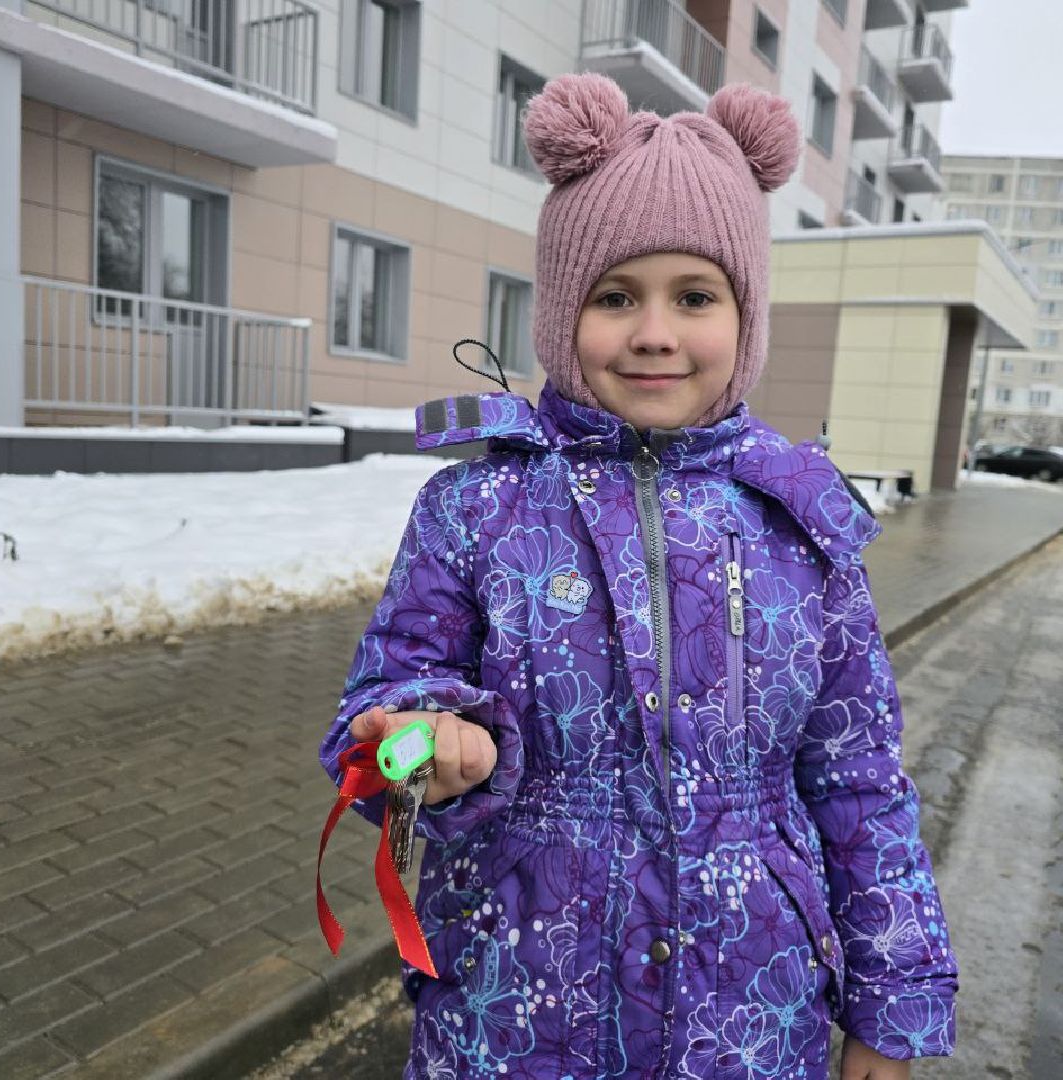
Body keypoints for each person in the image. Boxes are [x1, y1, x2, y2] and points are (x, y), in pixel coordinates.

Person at [321, 73, 957, 1079]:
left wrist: (893, 1002)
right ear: (564, 311)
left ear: (743, 318)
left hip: (749, 1020)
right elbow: (377, 720)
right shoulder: (477, 510)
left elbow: (861, 781)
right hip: (516, 1014)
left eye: (694, 297)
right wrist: (429, 750)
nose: (655, 331)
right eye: (616, 296)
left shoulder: (800, 527)